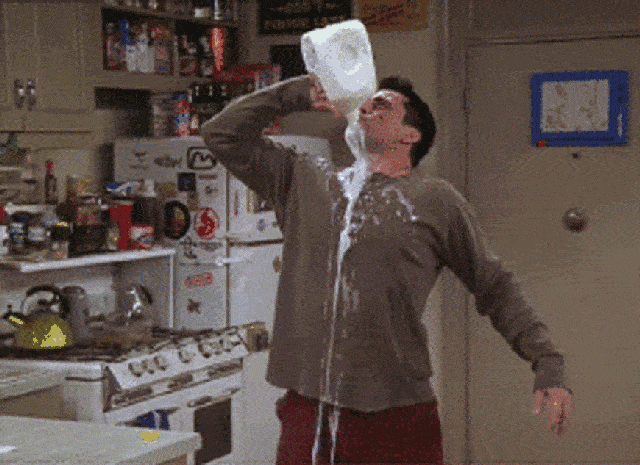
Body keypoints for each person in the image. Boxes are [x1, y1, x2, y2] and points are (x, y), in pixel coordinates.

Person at [201, 74, 574, 464]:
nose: (364, 108)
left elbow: (495, 285)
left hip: (395, 412)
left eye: (381, 105)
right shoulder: (305, 179)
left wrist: (547, 361)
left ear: (411, 135)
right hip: (310, 407)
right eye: (365, 102)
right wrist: (293, 94)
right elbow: (220, 134)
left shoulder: (436, 200)